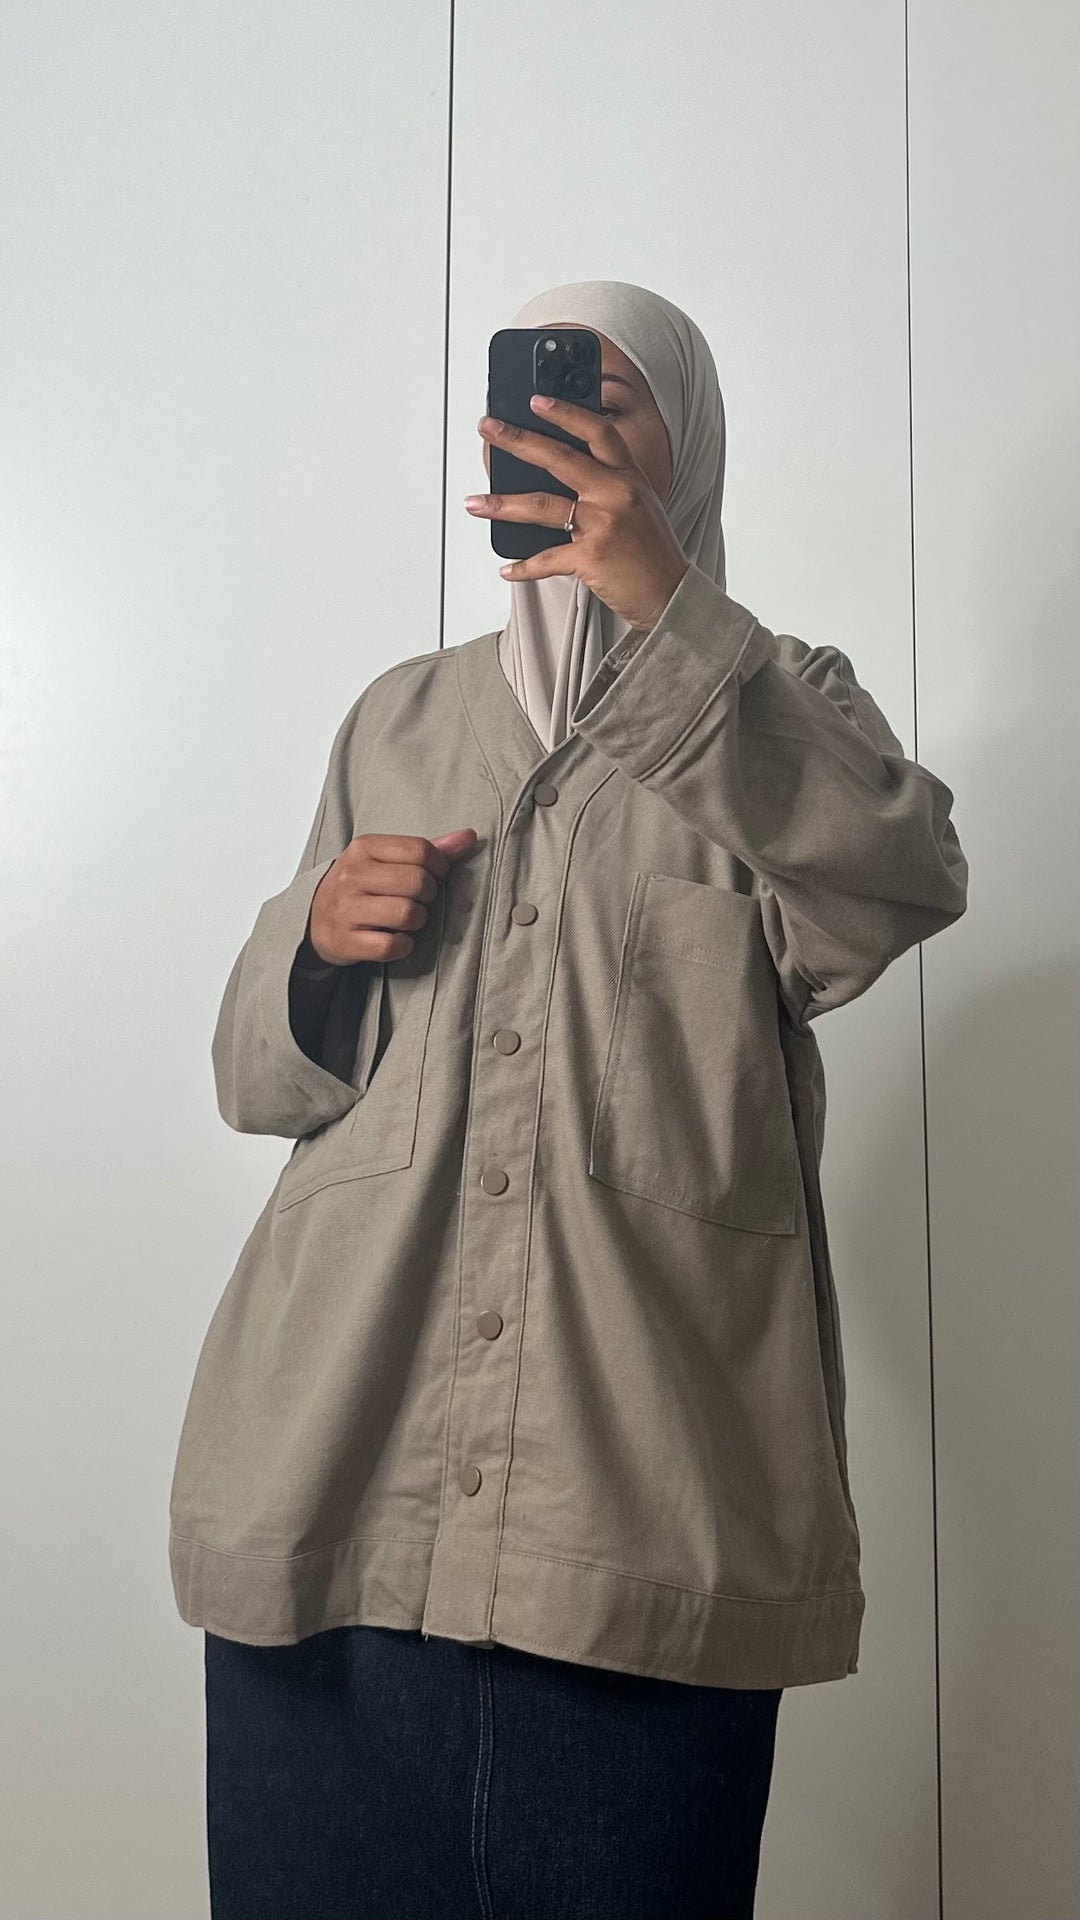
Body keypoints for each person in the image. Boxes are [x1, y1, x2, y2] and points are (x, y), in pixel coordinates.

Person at [170, 279, 969, 1920]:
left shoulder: (790, 706)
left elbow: (898, 881)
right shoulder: (398, 719)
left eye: (611, 396)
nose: (564, 425)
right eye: (535, 394)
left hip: (638, 1525)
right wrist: (315, 944)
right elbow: (255, 1075)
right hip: (330, 1495)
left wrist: (669, 610)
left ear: (692, 444)